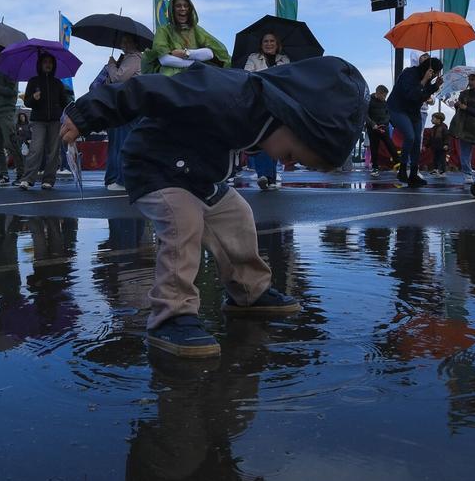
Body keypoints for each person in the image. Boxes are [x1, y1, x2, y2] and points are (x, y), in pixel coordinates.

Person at [60, 56, 367, 357]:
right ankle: (171, 315)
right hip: (154, 165)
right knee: (183, 221)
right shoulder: (228, 94)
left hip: (199, 175)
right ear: (296, 119)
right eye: (294, 154)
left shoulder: (267, 118)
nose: (287, 162)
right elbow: (147, 89)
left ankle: (249, 291)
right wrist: (87, 113)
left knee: (238, 215)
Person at [243, 33, 291, 190]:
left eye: (272, 41)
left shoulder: (284, 60)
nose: (269, 44)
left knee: (274, 139)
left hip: (278, 104)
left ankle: (270, 178)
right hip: (260, 102)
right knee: (263, 137)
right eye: (265, 41)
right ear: (261, 44)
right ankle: (264, 175)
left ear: (277, 44)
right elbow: (247, 74)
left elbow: (289, 79)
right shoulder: (253, 58)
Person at [142, 0, 230, 76]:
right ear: (172, 9)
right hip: (171, 76)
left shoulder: (197, 30)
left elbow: (209, 53)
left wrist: (186, 53)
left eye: (186, 6)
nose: (183, 8)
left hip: (197, 74)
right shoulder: (163, 30)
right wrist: (196, 62)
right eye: (178, 6)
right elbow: (164, 60)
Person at [387, 56, 443, 187]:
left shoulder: (428, 79)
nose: (435, 75)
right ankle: (402, 170)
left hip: (413, 111)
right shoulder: (409, 73)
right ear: (429, 70)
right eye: (435, 72)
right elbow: (411, 94)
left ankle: (413, 173)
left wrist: (435, 86)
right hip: (397, 108)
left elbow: (422, 96)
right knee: (410, 136)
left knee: (418, 140)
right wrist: (424, 80)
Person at [19, 53, 72, 191]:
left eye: (50, 62)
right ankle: (27, 179)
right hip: (38, 121)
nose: (48, 64)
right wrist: (33, 98)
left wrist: (66, 114)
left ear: (53, 65)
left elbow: (64, 102)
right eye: (45, 62)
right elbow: (27, 102)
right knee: (35, 149)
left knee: (53, 151)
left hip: (55, 120)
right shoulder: (33, 81)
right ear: (40, 65)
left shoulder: (58, 83)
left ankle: (48, 180)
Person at [102, 34, 144, 191]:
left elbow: (119, 78)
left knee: (122, 142)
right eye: (123, 41)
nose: (124, 44)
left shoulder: (134, 58)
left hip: (127, 106)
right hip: (120, 105)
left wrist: (111, 65)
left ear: (135, 43)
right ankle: (113, 177)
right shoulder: (127, 59)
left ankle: (121, 180)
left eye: (128, 41)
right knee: (116, 142)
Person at [0, 46, 21, 186]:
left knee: (11, 143)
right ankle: (3, 174)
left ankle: (22, 174)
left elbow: (13, 92)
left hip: (5, 112)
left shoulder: (10, 69)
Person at [448, 73, 475, 179]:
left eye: (472, 79)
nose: (470, 82)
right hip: (465, 128)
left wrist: (465, 108)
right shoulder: (464, 94)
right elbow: (460, 113)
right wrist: (457, 106)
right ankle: (467, 174)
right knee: (465, 154)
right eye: (469, 79)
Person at [365, 85, 399, 178]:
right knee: (374, 147)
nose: (384, 98)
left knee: (390, 145)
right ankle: (375, 168)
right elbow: (365, 115)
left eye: (385, 96)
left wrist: (385, 123)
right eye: (383, 95)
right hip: (373, 128)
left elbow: (388, 114)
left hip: (383, 127)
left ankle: (399, 164)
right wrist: (373, 125)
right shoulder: (369, 101)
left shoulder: (385, 102)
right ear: (378, 93)